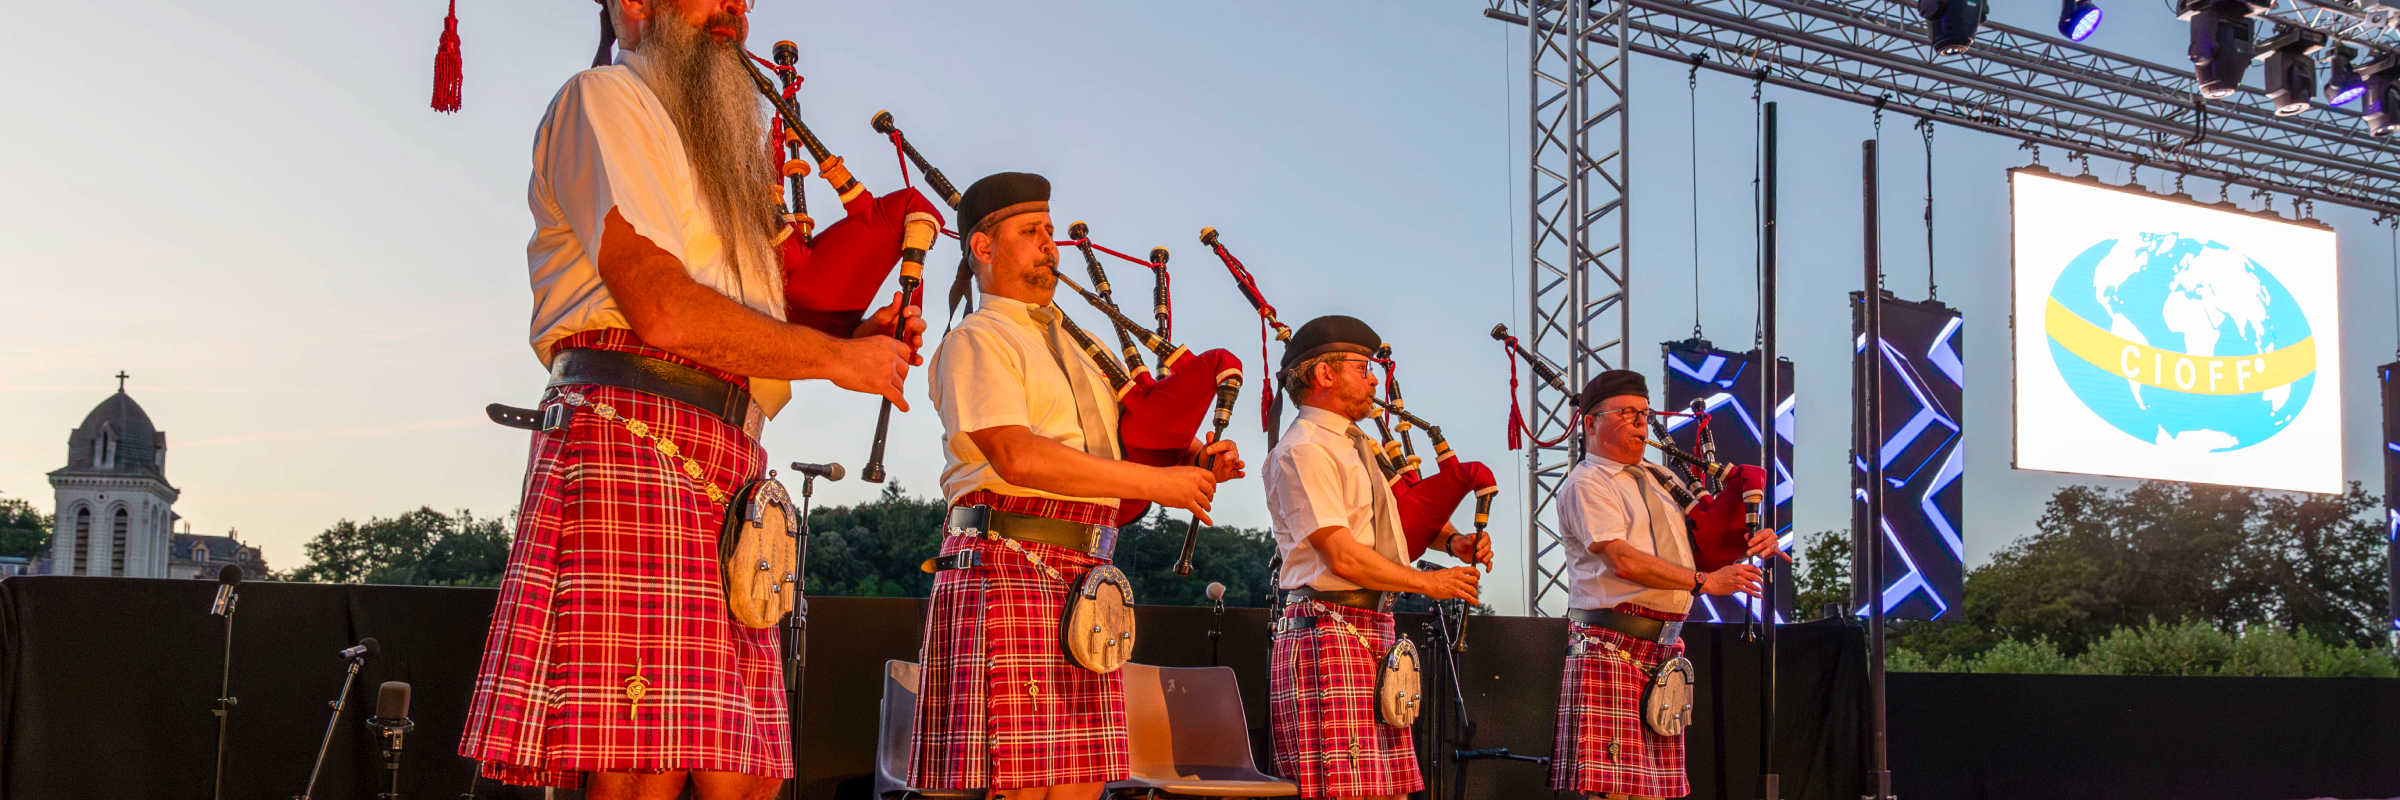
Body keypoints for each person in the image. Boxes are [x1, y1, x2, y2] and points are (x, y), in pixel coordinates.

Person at [459, 1, 926, 797]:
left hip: (733, 459)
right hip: (631, 432)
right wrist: (839, 357)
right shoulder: (606, 98)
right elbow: (664, 308)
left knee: (739, 772)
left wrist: (858, 334)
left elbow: (745, 328)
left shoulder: (725, 163)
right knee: (642, 768)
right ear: (634, 7)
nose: (735, 11)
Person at [910, 172, 1243, 800]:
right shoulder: (978, 339)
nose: (1050, 246)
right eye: (1031, 233)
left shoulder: (1078, 348)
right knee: (1016, 788)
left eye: (1050, 233)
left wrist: (1195, 457)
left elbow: (1106, 439)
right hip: (1006, 562)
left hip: (1086, 574)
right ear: (983, 247)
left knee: (1084, 786)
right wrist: (1157, 483)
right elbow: (1017, 455)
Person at [1261, 315, 1484, 800]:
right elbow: (1340, 553)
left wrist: (1452, 543)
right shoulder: (1303, 450)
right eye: (1363, 368)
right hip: (1327, 630)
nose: (1373, 380)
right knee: (1341, 793)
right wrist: (1430, 583)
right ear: (1324, 374)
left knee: (1388, 792)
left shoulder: (1355, 445)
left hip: (1371, 631)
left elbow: (1388, 519)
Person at [1547, 370, 1785, 800]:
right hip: (1611, 644)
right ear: (1590, 422)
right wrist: (1703, 582)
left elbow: (1700, 545)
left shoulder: (1660, 477)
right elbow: (1621, 559)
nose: (1641, 423)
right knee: (1616, 791)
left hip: (1663, 649)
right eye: (1627, 414)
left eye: (1644, 413)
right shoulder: (1588, 483)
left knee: (1656, 792)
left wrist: (1748, 541)